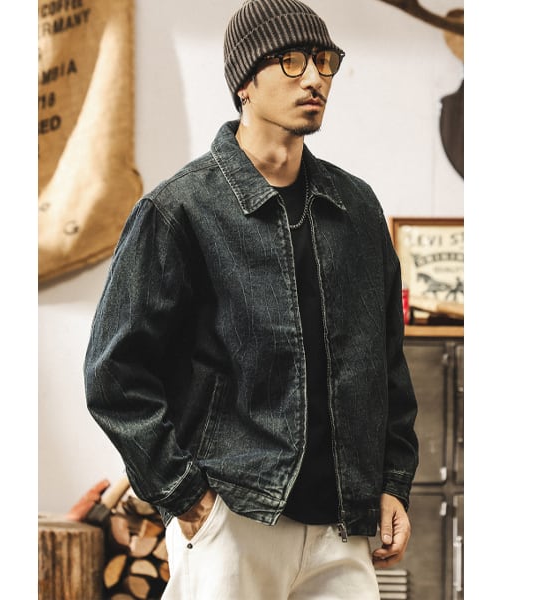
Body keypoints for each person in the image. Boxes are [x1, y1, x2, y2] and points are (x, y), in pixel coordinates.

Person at [84, 1, 419, 598]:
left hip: (342, 529)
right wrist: (188, 500)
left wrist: (392, 482)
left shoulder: (357, 208)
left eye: (324, 61)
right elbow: (114, 374)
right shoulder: (180, 210)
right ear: (244, 81)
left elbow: (387, 362)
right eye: (291, 61)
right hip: (234, 521)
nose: (314, 78)